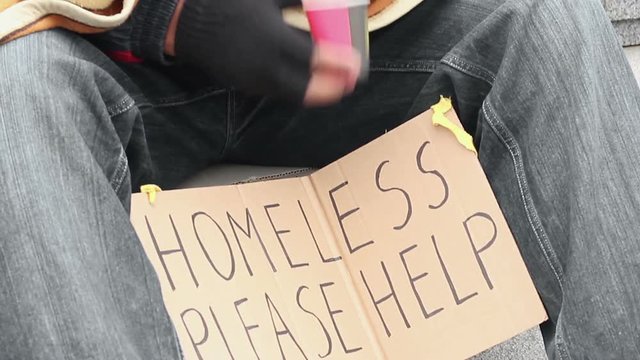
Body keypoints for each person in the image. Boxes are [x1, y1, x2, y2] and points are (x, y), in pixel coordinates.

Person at [1, 0, 639, 359]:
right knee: (17, 93)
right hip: (117, 53)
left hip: (353, 46)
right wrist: (171, 17)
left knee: (548, 15)